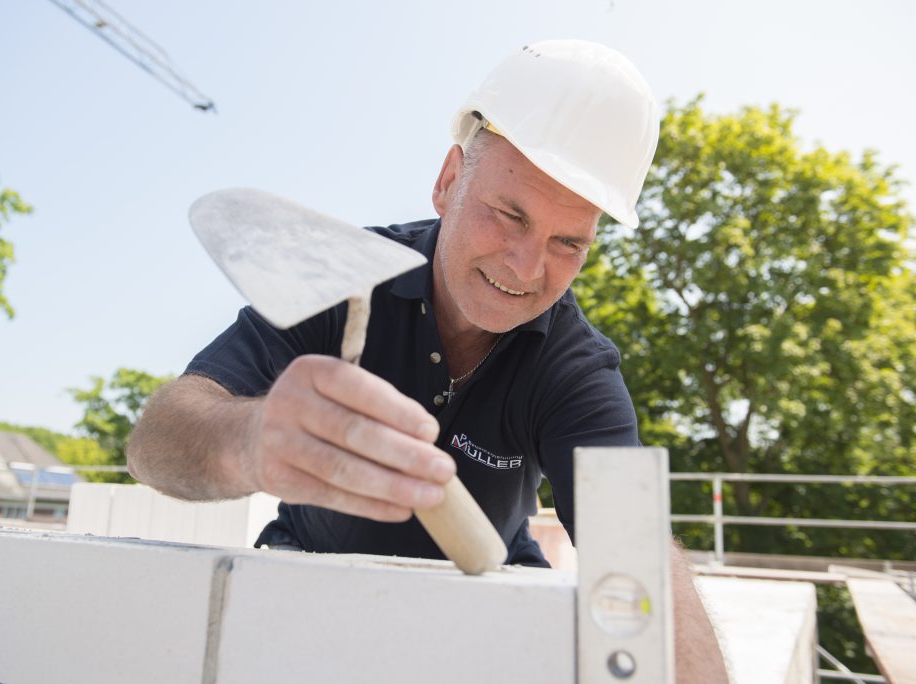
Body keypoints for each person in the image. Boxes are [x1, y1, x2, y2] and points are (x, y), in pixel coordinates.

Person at [128, 39, 728, 681]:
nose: (527, 267)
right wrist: (250, 441)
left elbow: (638, 557)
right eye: (508, 214)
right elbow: (155, 443)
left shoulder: (574, 370)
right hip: (306, 571)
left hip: (492, 591)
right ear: (448, 181)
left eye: (567, 242)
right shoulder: (343, 278)